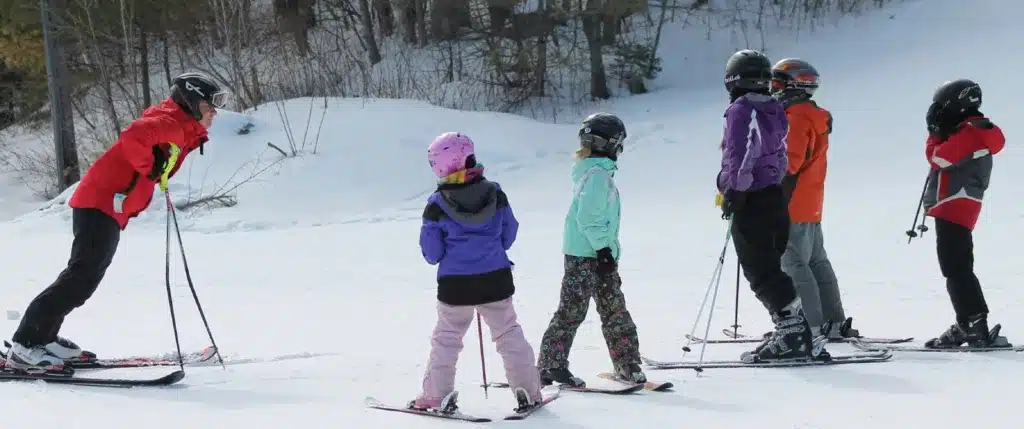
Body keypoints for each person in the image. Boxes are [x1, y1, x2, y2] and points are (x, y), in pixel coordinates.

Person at [5, 72, 229, 374]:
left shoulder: (179, 123)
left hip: (108, 204)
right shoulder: (171, 122)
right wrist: (151, 168)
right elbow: (133, 136)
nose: (215, 110)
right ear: (191, 100)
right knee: (81, 276)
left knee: (83, 276)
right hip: (100, 201)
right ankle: (27, 344)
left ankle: (43, 337)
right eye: (211, 103)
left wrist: (153, 170)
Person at [410, 132, 542, 414]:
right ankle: (529, 390)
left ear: (443, 165)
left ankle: (436, 395)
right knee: (508, 331)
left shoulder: (437, 204)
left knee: (447, 337)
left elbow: (431, 254)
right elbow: (509, 235)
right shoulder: (496, 193)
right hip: (495, 279)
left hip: (455, 285)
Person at [716, 49, 828, 362]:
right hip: (773, 195)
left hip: (753, 197)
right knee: (769, 266)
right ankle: (797, 330)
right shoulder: (777, 108)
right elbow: (778, 155)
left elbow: (741, 151)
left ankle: (793, 333)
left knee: (760, 269)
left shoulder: (742, 109)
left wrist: (734, 190)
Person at [535, 112, 646, 387]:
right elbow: (588, 218)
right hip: (587, 256)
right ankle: (551, 364)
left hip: (596, 253)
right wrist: (603, 250)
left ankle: (626, 362)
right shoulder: (597, 176)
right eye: (618, 142)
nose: (620, 149)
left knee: (614, 309)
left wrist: (605, 251)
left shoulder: (595, 172)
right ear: (608, 144)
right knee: (573, 310)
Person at [770, 58, 859, 340]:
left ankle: (811, 325)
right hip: (809, 201)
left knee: (795, 264)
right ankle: (833, 321)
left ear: (791, 86)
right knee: (816, 262)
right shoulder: (812, 114)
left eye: (776, 84)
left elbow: (790, 163)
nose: (773, 90)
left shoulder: (796, 117)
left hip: (792, 202)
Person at [921, 78, 1009, 349]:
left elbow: (940, 158)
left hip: (955, 202)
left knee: (955, 266)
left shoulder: (971, 132)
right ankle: (970, 322)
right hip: (958, 202)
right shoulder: (972, 129)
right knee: (958, 265)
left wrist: (935, 133)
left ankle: (971, 323)